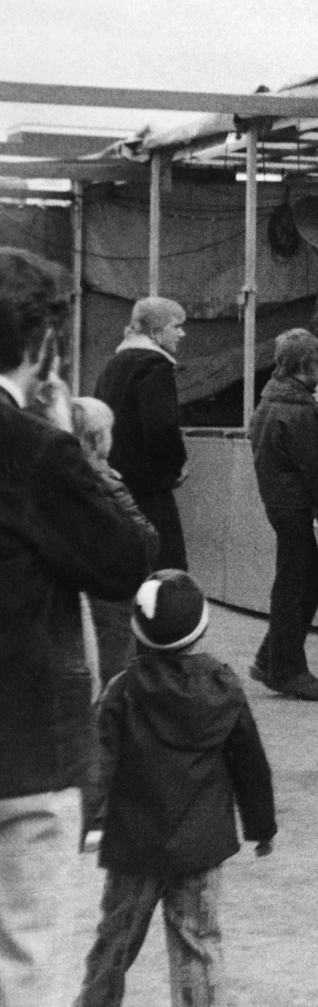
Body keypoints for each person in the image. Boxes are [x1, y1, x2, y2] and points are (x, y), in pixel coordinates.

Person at [0, 248, 152, 1007]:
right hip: (25, 749)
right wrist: (66, 437)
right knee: (27, 960)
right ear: (41, 345)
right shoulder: (32, 449)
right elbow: (125, 560)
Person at [76, 569, 278, 1007]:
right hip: (200, 848)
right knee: (197, 942)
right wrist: (261, 825)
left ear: (137, 632)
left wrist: (88, 822)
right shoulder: (225, 687)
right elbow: (250, 763)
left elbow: (98, 765)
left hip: (135, 847)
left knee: (115, 941)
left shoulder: (122, 690)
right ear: (201, 629)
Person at [247, 328, 318, 701]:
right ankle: (286, 670)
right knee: (298, 584)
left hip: (279, 503)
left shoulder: (270, 402)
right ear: (305, 366)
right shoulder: (299, 411)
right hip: (293, 506)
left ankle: (271, 658)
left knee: (300, 581)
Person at [69, 395, 162, 688]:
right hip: (114, 588)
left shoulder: (64, 473)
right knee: (115, 667)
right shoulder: (105, 480)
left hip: (81, 583)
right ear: (97, 438)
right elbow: (145, 537)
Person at [94, 295, 190, 572]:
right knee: (167, 567)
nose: (182, 334)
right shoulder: (155, 366)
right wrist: (177, 464)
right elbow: (161, 426)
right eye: (176, 326)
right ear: (156, 330)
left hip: (117, 482)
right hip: (150, 487)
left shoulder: (114, 364)